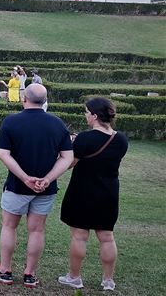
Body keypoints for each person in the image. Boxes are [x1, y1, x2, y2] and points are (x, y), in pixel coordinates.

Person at [0, 84, 74, 288]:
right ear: (44, 101)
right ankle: (29, 274)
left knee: (9, 226)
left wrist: (25, 178)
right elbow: (67, 157)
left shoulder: (11, 121)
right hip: (45, 189)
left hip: (17, 186)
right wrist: (48, 179)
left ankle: (5, 271)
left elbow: (3, 154)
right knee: (37, 231)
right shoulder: (57, 123)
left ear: (24, 98)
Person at [57, 97, 128, 292]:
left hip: (82, 192)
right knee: (107, 237)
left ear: (95, 116)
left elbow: (70, 162)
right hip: (108, 193)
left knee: (79, 236)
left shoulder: (84, 139)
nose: (86, 116)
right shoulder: (121, 139)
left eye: (87, 113)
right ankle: (108, 280)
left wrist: (73, 143)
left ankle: (74, 277)